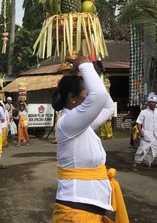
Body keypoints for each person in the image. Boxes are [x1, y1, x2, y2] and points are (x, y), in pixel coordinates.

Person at [51, 56, 129, 223]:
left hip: (86, 210)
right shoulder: (68, 123)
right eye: (87, 95)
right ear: (72, 97)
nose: (90, 98)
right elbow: (99, 96)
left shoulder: (81, 125)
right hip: (76, 212)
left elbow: (107, 105)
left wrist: (91, 72)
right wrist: (84, 65)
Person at [132, 93, 157, 172]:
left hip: (155, 135)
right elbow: (138, 123)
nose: (151, 103)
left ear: (155, 103)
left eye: (153, 102)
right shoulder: (144, 112)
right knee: (142, 149)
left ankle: (150, 162)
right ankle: (134, 164)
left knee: (154, 150)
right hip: (146, 134)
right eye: (149, 102)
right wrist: (141, 131)